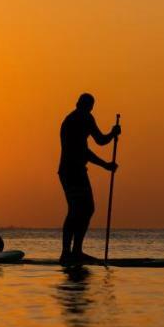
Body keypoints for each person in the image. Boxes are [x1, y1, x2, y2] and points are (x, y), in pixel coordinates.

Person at [58, 93, 120, 263]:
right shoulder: (73, 121)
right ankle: (68, 252)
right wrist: (105, 165)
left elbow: (100, 140)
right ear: (78, 104)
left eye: (89, 106)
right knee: (78, 209)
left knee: (84, 209)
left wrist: (112, 134)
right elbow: (83, 151)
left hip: (77, 171)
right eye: (85, 105)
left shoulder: (87, 118)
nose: (87, 109)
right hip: (70, 172)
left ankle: (74, 251)